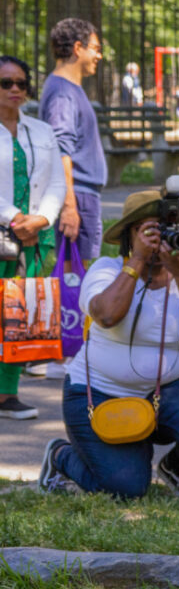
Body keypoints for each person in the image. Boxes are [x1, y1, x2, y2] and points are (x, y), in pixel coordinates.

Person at [38, 189, 179, 499]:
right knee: (126, 489)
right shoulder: (105, 270)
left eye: (168, 229)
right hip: (101, 393)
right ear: (130, 235)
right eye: (149, 230)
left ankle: (175, 467)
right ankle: (61, 456)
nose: (160, 239)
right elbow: (107, 315)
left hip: (168, 390)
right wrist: (138, 260)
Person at [0, 56, 65, 420]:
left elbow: (57, 180)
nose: (14, 89)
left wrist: (42, 219)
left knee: (17, 311)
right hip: (5, 231)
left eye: (21, 83)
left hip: (34, 238)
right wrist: (15, 218)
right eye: (5, 83)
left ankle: (7, 395)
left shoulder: (40, 131)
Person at [40, 17, 107, 270]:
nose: (98, 56)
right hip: (77, 194)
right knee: (74, 276)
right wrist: (69, 206)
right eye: (96, 49)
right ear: (78, 48)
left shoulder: (69, 88)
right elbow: (61, 150)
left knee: (79, 273)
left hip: (83, 193)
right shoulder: (62, 92)